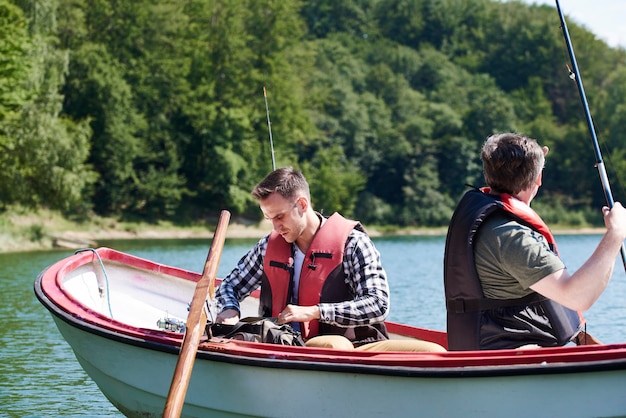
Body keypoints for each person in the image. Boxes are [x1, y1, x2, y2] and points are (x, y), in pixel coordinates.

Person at [216, 167, 445, 352]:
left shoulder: (353, 244)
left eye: (280, 216)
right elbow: (229, 286)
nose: (275, 227)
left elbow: (378, 304)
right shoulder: (269, 246)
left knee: (434, 351)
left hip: (360, 347)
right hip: (291, 344)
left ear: (302, 204)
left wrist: (316, 311)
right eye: (269, 218)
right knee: (336, 346)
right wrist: (229, 308)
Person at [444, 132, 626, 350]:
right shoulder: (512, 237)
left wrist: (535, 165)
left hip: (498, 346)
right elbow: (579, 297)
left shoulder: (497, 224)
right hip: (513, 354)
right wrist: (615, 233)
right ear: (538, 178)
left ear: (488, 172)